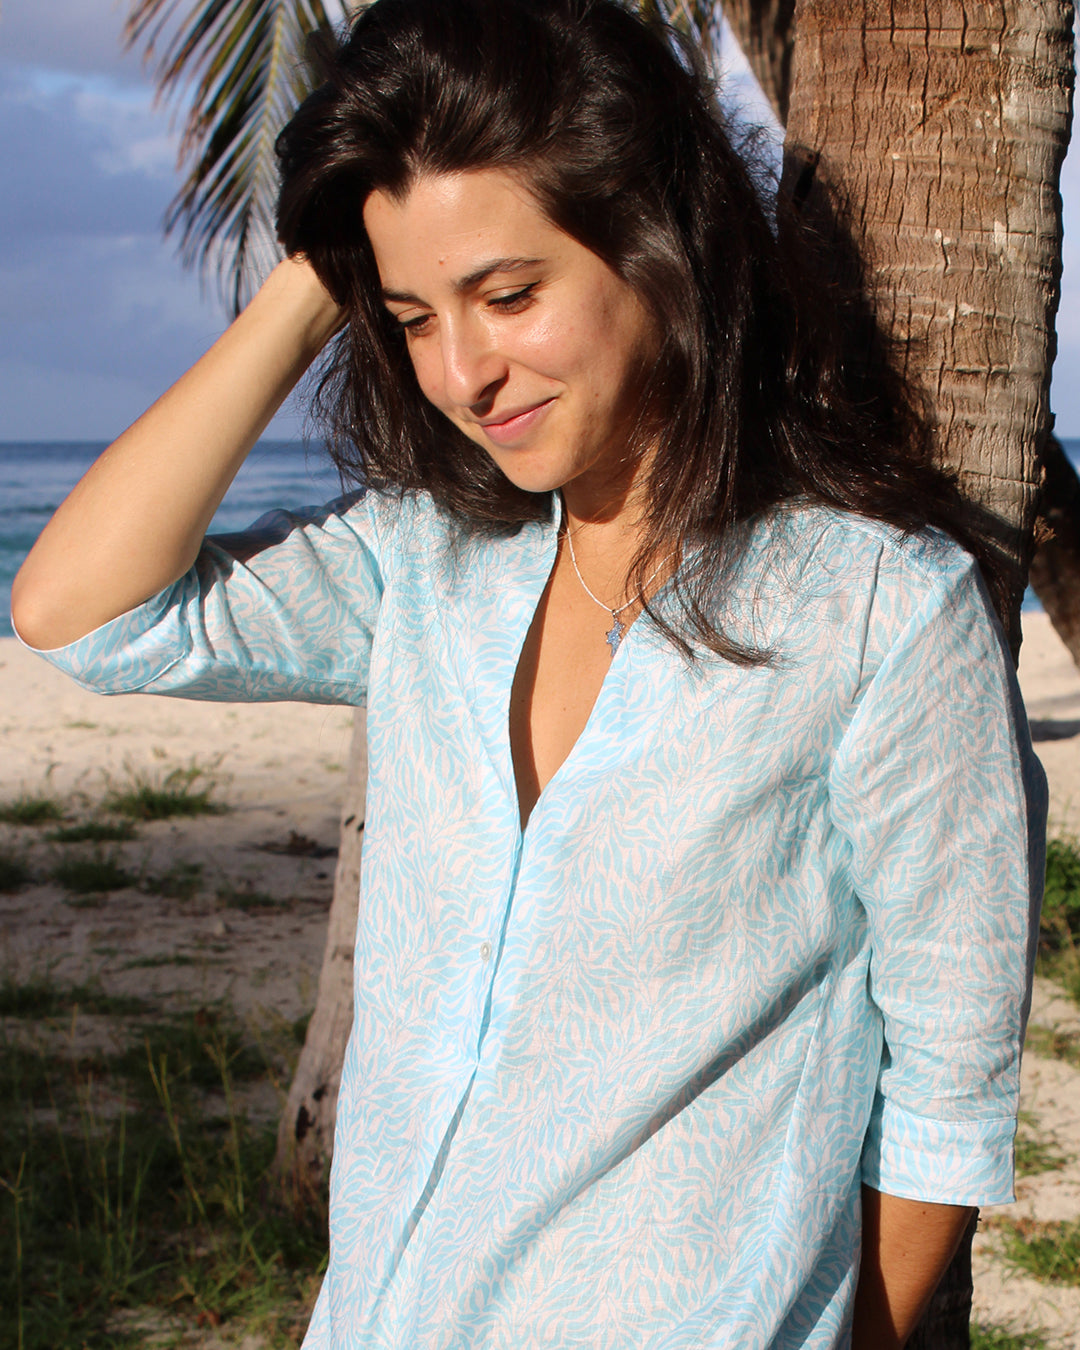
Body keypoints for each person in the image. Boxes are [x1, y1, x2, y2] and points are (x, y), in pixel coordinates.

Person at [12, 0, 1046, 1345]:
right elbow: (80, 613)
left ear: (655, 243)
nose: (463, 371)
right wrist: (321, 272)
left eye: (508, 295)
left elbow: (949, 1096)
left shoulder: (877, 616)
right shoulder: (426, 565)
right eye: (410, 317)